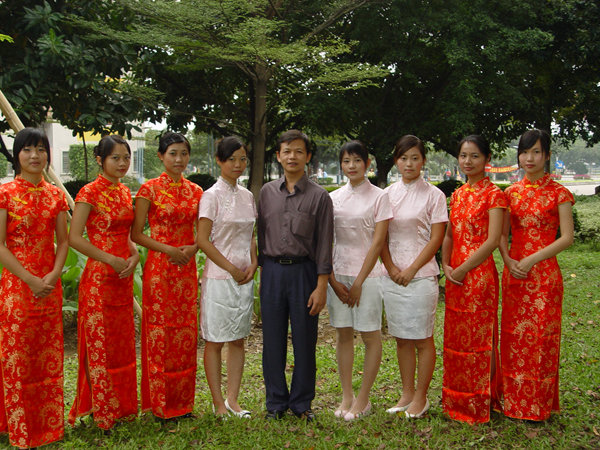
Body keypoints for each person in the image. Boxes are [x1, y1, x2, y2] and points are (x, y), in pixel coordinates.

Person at [257, 129, 333, 421]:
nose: (293, 156)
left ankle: (301, 403)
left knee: (304, 341)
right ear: (278, 156)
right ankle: (275, 402)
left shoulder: (320, 197)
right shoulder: (266, 193)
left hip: (304, 273)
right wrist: (264, 271)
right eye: (287, 151)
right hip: (272, 272)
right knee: (272, 341)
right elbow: (262, 234)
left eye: (299, 151)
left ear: (308, 156)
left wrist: (321, 285)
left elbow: (324, 243)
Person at [0, 128, 68, 449]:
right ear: (17, 155)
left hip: (50, 285)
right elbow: (0, 245)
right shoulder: (5, 193)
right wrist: (29, 279)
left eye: (41, 149)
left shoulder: (55, 195)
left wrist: (53, 275)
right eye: (27, 149)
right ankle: (20, 429)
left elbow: (63, 241)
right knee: (18, 357)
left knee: (47, 357)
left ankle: (48, 427)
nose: (35, 155)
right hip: (17, 286)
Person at [499, 129, 574, 421]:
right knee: (514, 338)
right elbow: (501, 235)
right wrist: (508, 260)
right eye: (524, 152)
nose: (529, 158)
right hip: (515, 274)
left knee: (542, 339)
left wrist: (532, 258)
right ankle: (513, 402)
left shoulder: (559, 193)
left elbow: (566, 238)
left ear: (547, 156)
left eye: (536, 152)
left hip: (544, 277)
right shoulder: (510, 193)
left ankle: (537, 406)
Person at [68, 135, 139, 430]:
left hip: (122, 279)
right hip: (99, 280)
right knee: (100, 345)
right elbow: (74, 238)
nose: (122, 163)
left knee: (122, 346)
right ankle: (102, 411)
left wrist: (134, 255)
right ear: (100, 160)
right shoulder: (89, 192)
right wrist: (109, 259)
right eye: (115, 158)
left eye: (126, 158)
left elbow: (127, 235)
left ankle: (122, 408)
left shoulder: (124, 191)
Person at [131, 132, 203, 421]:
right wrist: (168, 249)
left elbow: (202, 233)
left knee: (185, 334)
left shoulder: (196, 191)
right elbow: (137, 234)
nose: (179, 159)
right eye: (173, 153)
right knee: (160, 334)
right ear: (161, 156)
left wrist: (193, 247)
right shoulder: (148, 190)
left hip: (186, 270)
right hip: (160, 270)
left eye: (184, 153)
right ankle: (160, 405)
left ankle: (183, 404)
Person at [380, 135, 448, 419]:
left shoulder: (434, 195)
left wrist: (411, 269)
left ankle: (421, 397)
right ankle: (406, 393)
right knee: (401, 338)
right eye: (403, 158)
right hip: (391, 276)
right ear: (396, 160)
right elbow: (380, 237)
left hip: (421, 277)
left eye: (415, 158)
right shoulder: (386, 195)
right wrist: (391, 267)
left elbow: (436, 238)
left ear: (423, 161)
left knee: (422, 338)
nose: (409, 164)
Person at [441, 135, 506, 424]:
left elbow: (493, 240)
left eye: (475, 156)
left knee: (481, 339)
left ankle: (483, 400)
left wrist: (463, 269)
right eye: (463, 155)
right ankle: (458, 398)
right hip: (455, 275)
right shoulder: (457, 195)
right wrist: (446, 265)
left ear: (487, 159)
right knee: (457, 340)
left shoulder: (494, 195)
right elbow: (449, 235)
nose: (468, 161)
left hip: (479, 276)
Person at [327, 141, 391, 421]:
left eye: (357, 160)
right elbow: (326, 241)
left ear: (367, 163)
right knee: (343, 334)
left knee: (369, 335)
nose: (351, 166)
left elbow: (378, 243)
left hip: (368, 276)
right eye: (346, 161)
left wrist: (359, 282)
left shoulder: (380, 196)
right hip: (338, 275)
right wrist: (332, 280)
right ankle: (347, 396)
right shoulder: (332, 198)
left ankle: (363, 399)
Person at [196, 137, 257, 418]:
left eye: (242, 159)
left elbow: (250, 235)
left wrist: (254, 262)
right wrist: (231, 268)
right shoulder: (211, 196)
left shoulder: (248, 196)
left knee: (238, 339)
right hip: (220, 278)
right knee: (215, 340)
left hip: (245, 278)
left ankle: (233, 400)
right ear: (219, 161)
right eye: (231, 159)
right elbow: (203, 240)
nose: (237, 164)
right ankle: (218, 403)